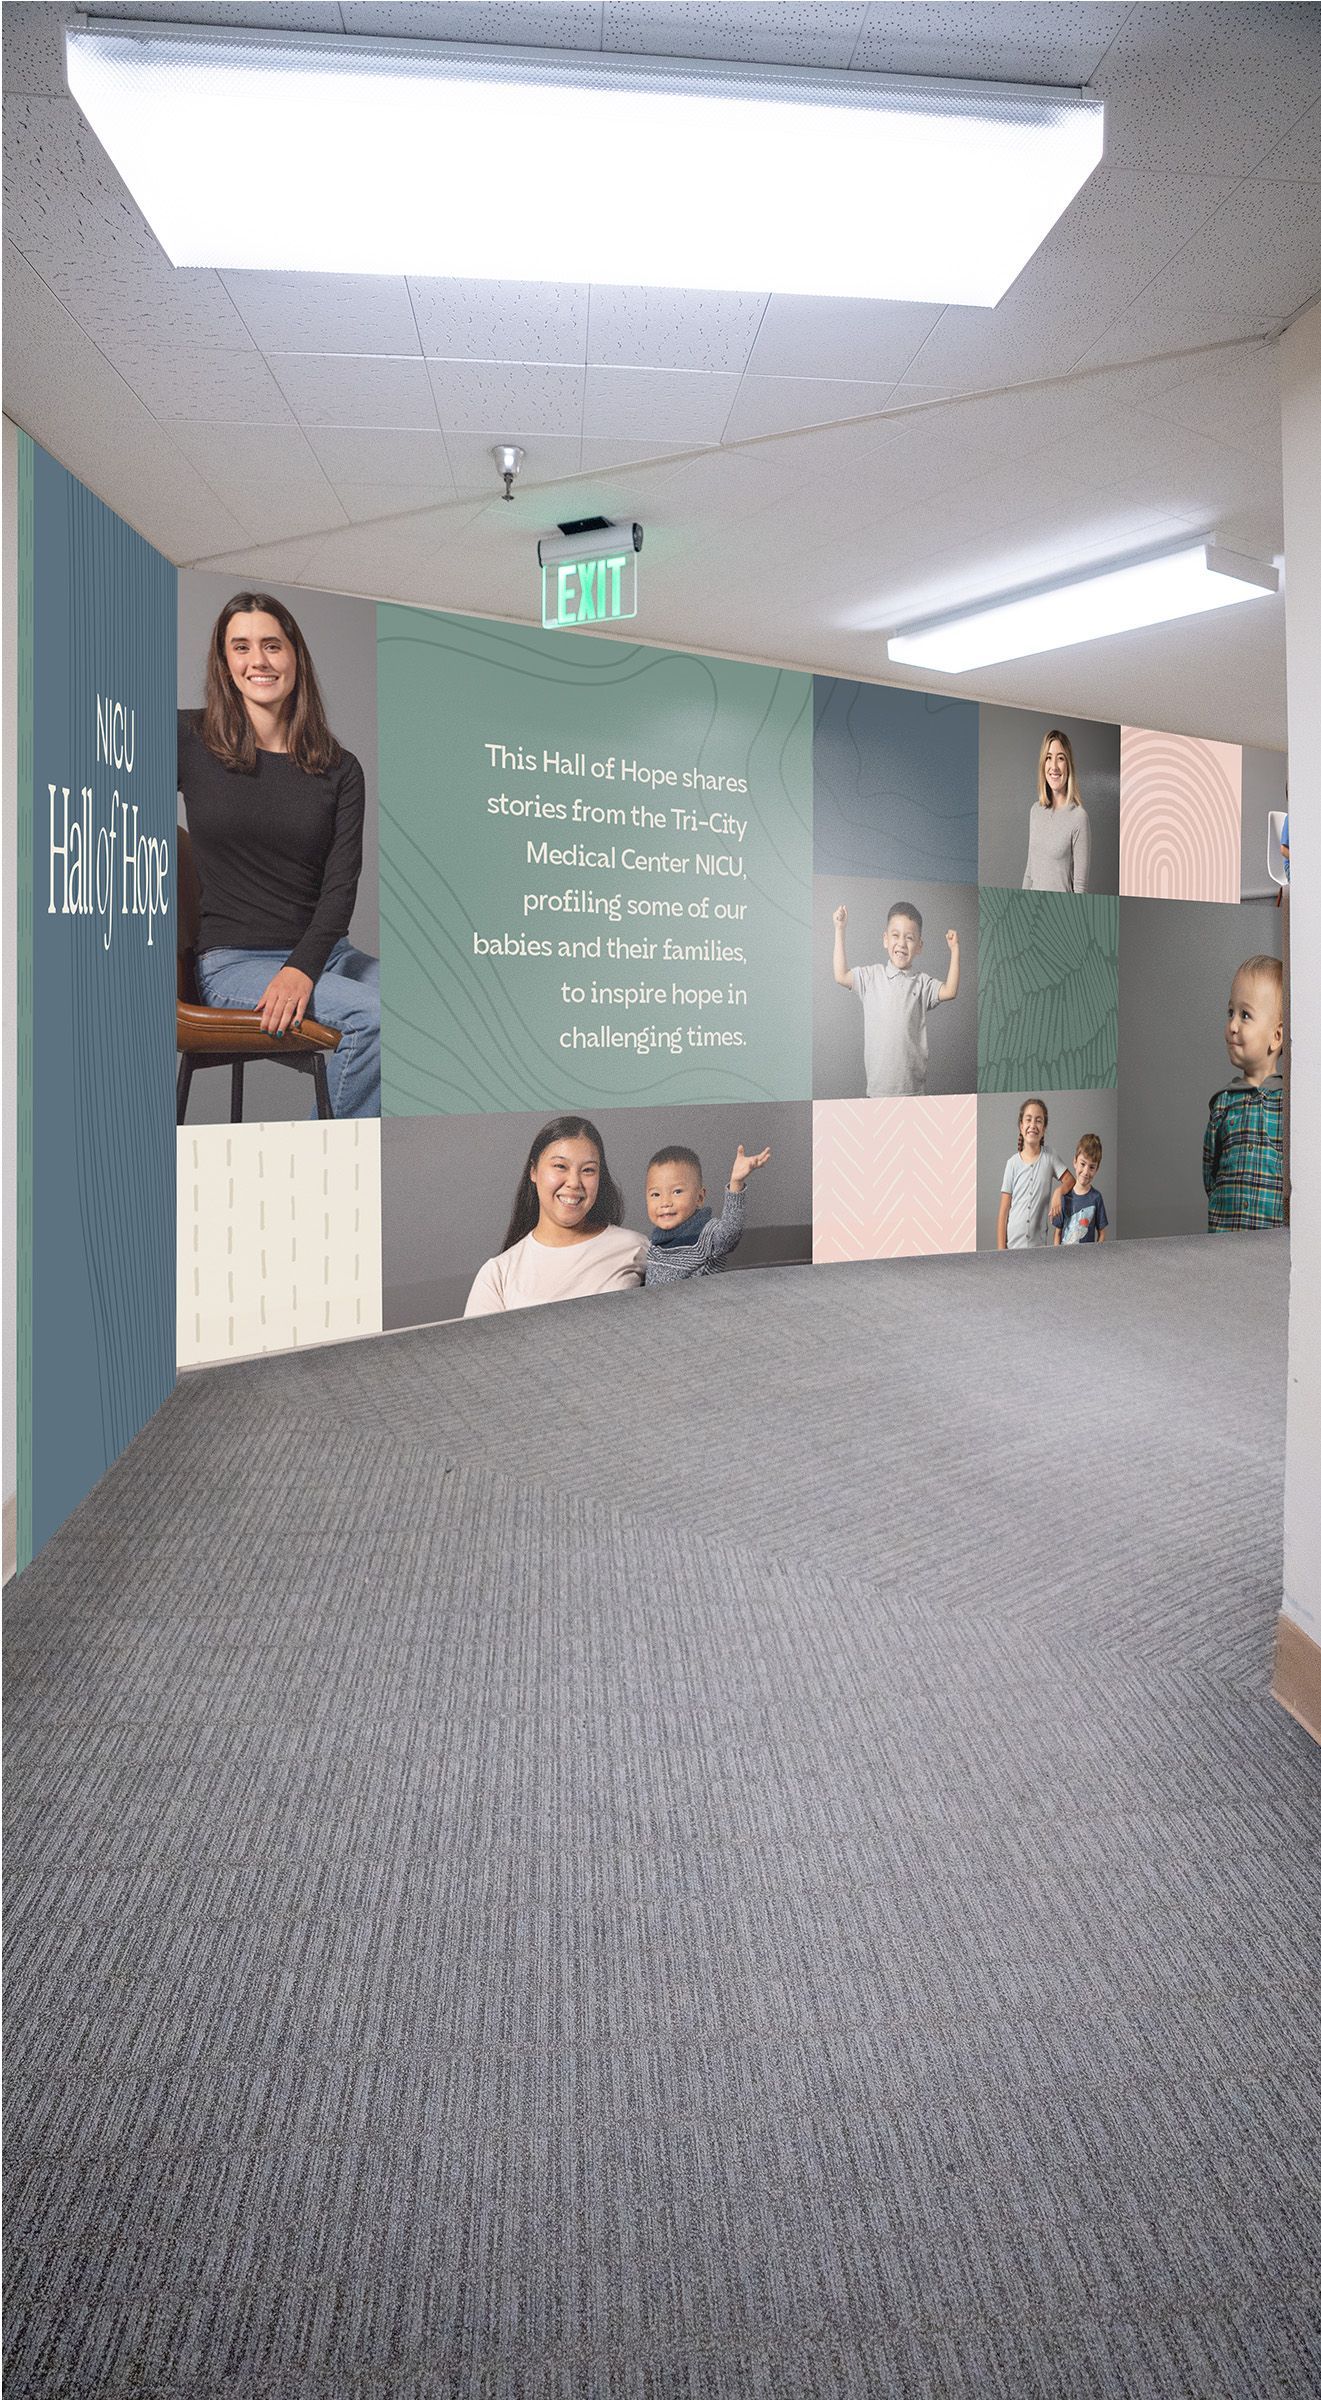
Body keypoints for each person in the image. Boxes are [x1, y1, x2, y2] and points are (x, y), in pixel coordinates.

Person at [178, 591, 381, 1118]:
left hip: (325, 956)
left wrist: (302, 968)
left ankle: (331, 1152)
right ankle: (328, 1164)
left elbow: (341, 887)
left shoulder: (340, 768)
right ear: (224, 661)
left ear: (295, 655)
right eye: (240, 647)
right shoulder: (188, 738)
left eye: (271, 645)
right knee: (374, 1017)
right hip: (234, 964)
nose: (258, 661)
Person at [464, 1117, 647, 1315]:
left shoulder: (635, 1247)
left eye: (588, 1170)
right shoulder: (498, 1274)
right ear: (533, 1171)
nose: (574, 1182)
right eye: (560, 1166)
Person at [832, 900, 959, 1098]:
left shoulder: (922, 983)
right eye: (895, 935)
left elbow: (950, 991)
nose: (901, 943)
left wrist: (955, 950)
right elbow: (841, 975)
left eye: (909, 938)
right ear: (885, 939)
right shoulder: (871, 977)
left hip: (913, 1091)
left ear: (919, 946)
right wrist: (840, 929)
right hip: (878, 1091)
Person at [1203, 954, 1285, 1231]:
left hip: (1273, 1242)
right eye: (1230, 1012)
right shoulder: (1223, 1104)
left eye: (1245, 1015)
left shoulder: (1289, 1107)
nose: (1232, 1026)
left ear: (1276, 1036)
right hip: (1225, 1238)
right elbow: (1210, 1175)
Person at [643, 1142, 771, 1286]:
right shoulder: (656, 1241)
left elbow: (730, 1233)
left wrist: (736, 1183)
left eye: (677, 1192)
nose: (665, 1202)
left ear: (699, 1198)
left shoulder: (705, 1235)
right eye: (655, 1194)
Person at [996, 1098, 1075, 1250]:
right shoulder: (1012, 1163)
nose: (1033, 1125)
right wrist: (1000, 1251)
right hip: (1012, 1246)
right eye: (1028, 1120)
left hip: (1038, 1246)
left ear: (1044, 1128)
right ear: (1021, 1126)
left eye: (1038, 1121)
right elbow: (1004, 1211)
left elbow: (1070, 1181)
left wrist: (1058, 1192)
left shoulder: (1050, 1157)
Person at [1022, 727, 1090, 893]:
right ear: (1043, 764)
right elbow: (1030, 872)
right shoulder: (1035, 811)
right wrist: (1020, 905)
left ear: (1068, 765)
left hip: (1061, 909)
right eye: (1048, 758)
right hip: (1032, 908)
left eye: (1060, 758)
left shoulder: (1079, 817)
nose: (1054, 766)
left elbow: (1080, 887)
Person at [1053, 1135, 1108, 1244]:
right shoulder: (1064, 1197)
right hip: (1065, 1254)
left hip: (1088, 1255)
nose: (1086, 1172)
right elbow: (1057, 1234)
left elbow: (1102, 1234)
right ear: (1075, 1162)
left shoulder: (1096, 1198)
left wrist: (1097, 1252)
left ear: (1097, 1169)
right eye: (1083, 1164)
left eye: (1091, 1167)